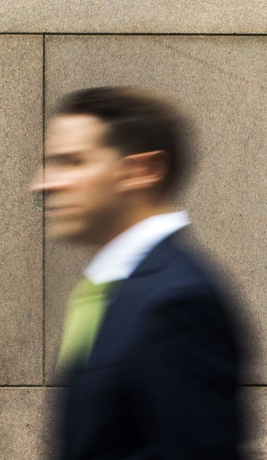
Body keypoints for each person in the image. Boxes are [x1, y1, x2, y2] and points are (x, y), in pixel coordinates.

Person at [30, 87, 244, 459]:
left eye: (72, 162)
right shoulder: (118, 286)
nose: (43, 184)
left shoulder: (179, 302)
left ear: (141, 171)